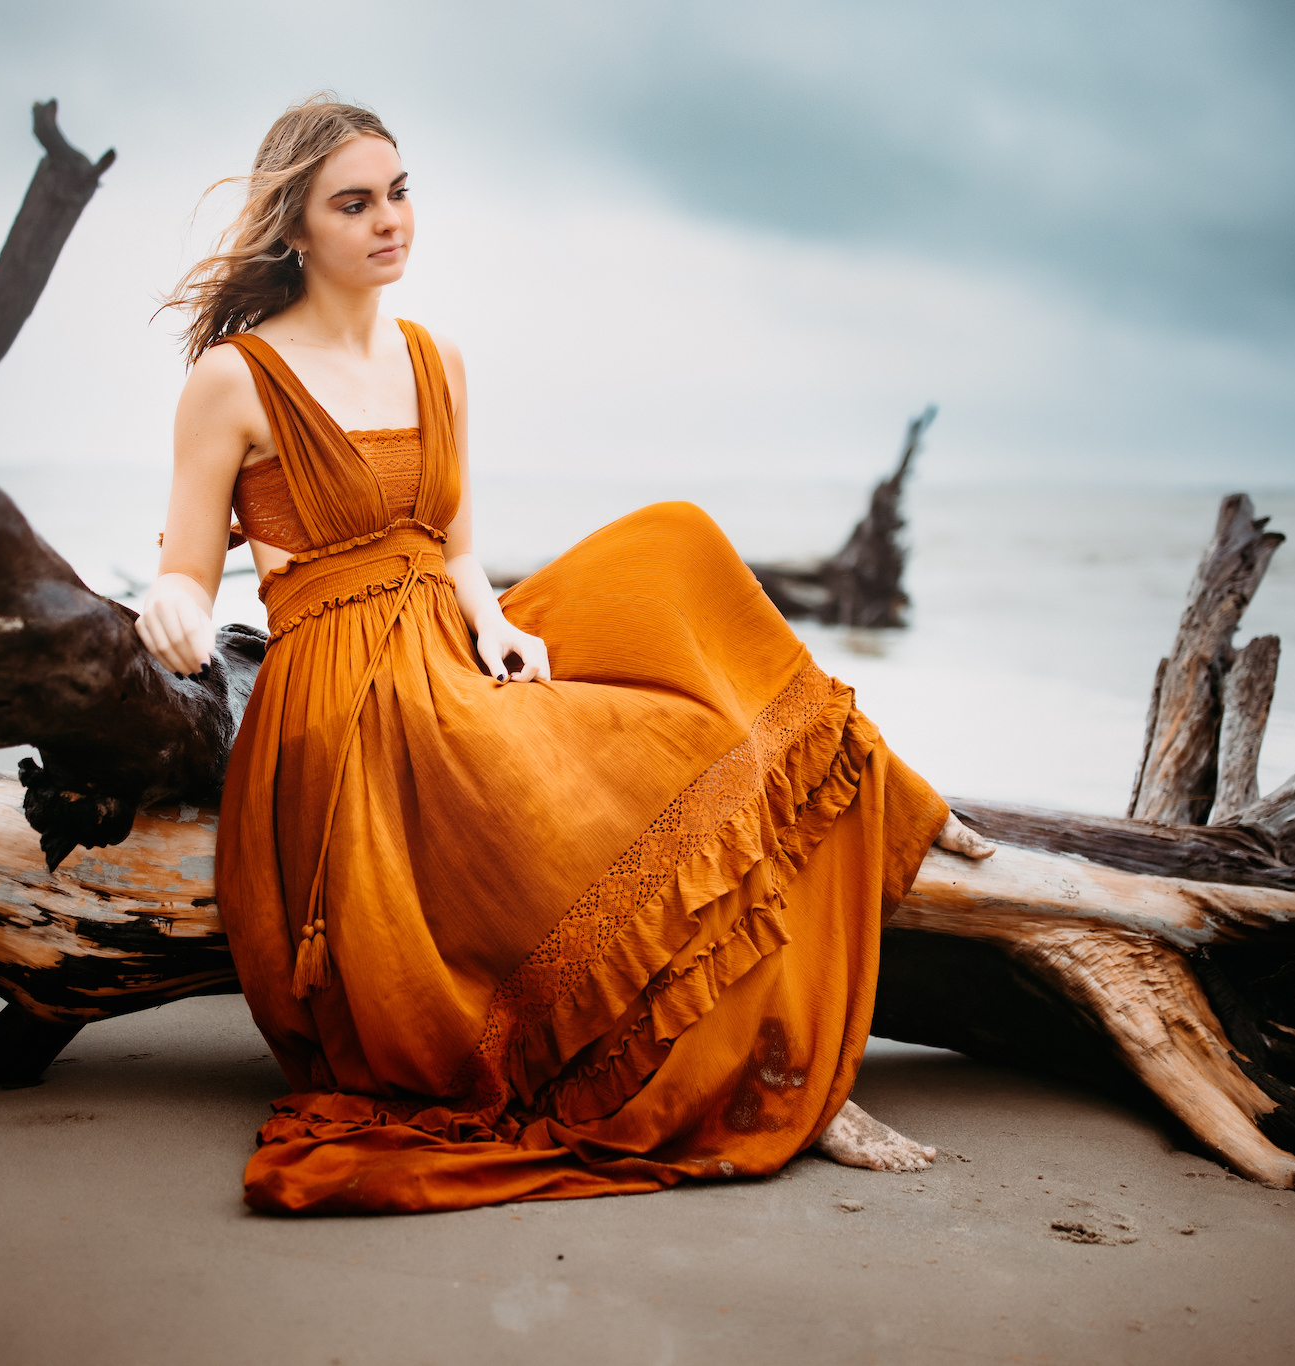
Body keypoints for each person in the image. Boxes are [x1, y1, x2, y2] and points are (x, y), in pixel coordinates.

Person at [140, 96, 995, 1215]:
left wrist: (491, 618)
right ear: (292, 230)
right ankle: (772, 1076)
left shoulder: (433, 356)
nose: (389, 220)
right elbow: (186, 569)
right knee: (597, 778)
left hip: (449, 632)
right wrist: (171, 611)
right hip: (349, 694)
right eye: (353, 203)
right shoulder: (235, 381)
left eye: (399, 191)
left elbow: (455, 547)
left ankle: (868, 773)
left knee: (673, 543)